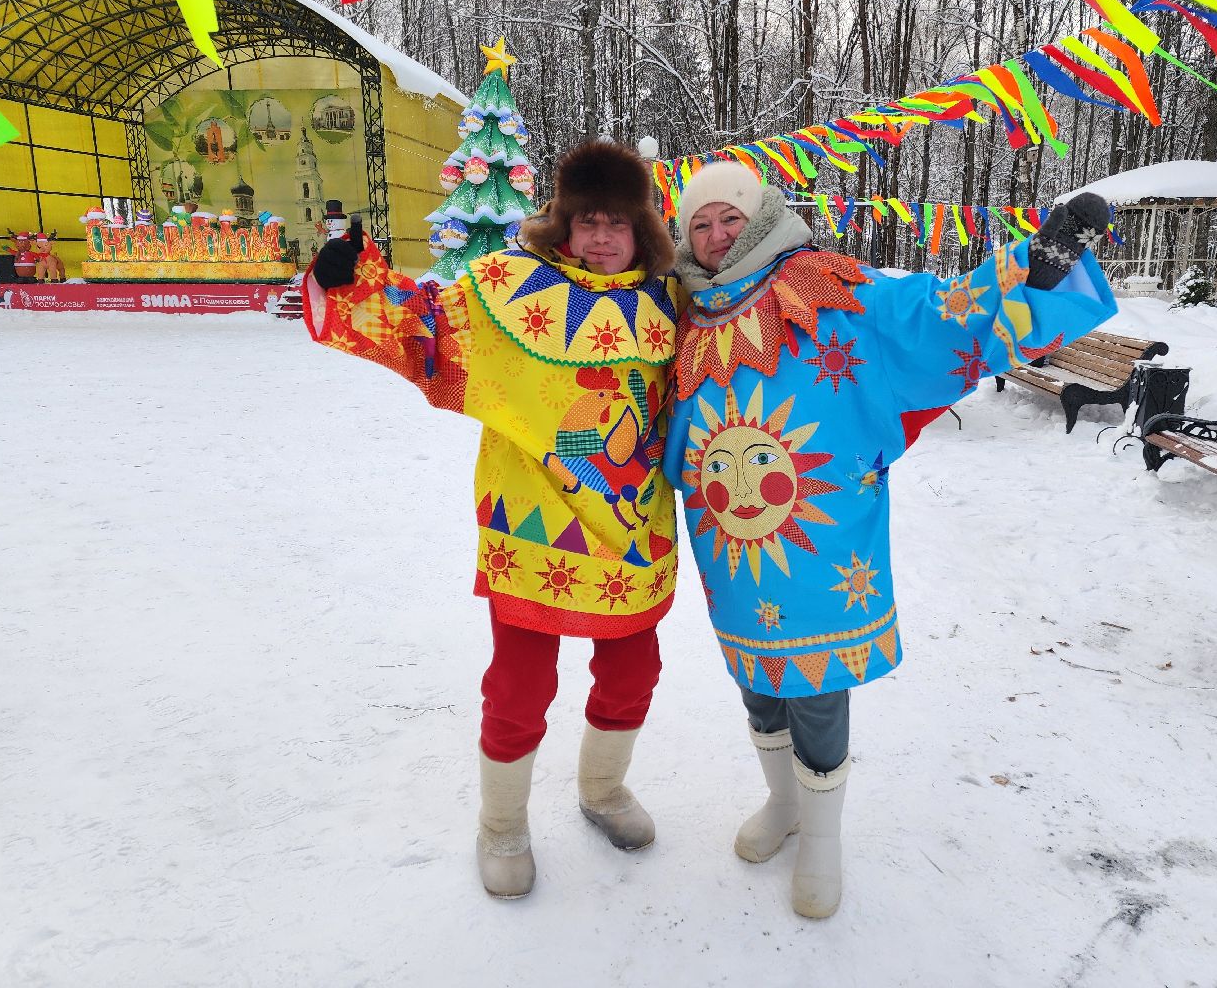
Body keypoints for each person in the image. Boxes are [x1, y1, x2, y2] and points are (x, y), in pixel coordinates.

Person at [662, 161, 1117, 919]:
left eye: (730, 219)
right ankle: (784, 805)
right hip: (730, 543)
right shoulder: (680, 312)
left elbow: (929, 315)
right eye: (700, 224)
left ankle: (823, 840)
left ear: (762, 217)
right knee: (755, 678)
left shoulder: (822, 286)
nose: (715, 236)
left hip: (821, 534)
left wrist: (1029, 270)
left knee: (815, 680)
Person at [303, 141, 681, 900]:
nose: (602, 237)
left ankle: (601, 791)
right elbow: (423, 330)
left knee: (636, 670)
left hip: (633, 527)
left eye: (618, 223)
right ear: (564, 225)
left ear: (642, 230)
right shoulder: (508, 292)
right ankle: (501, 825)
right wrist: (351, 281)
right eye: (587, 222)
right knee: (519, 684)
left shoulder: (674, 304)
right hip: (535, 527)